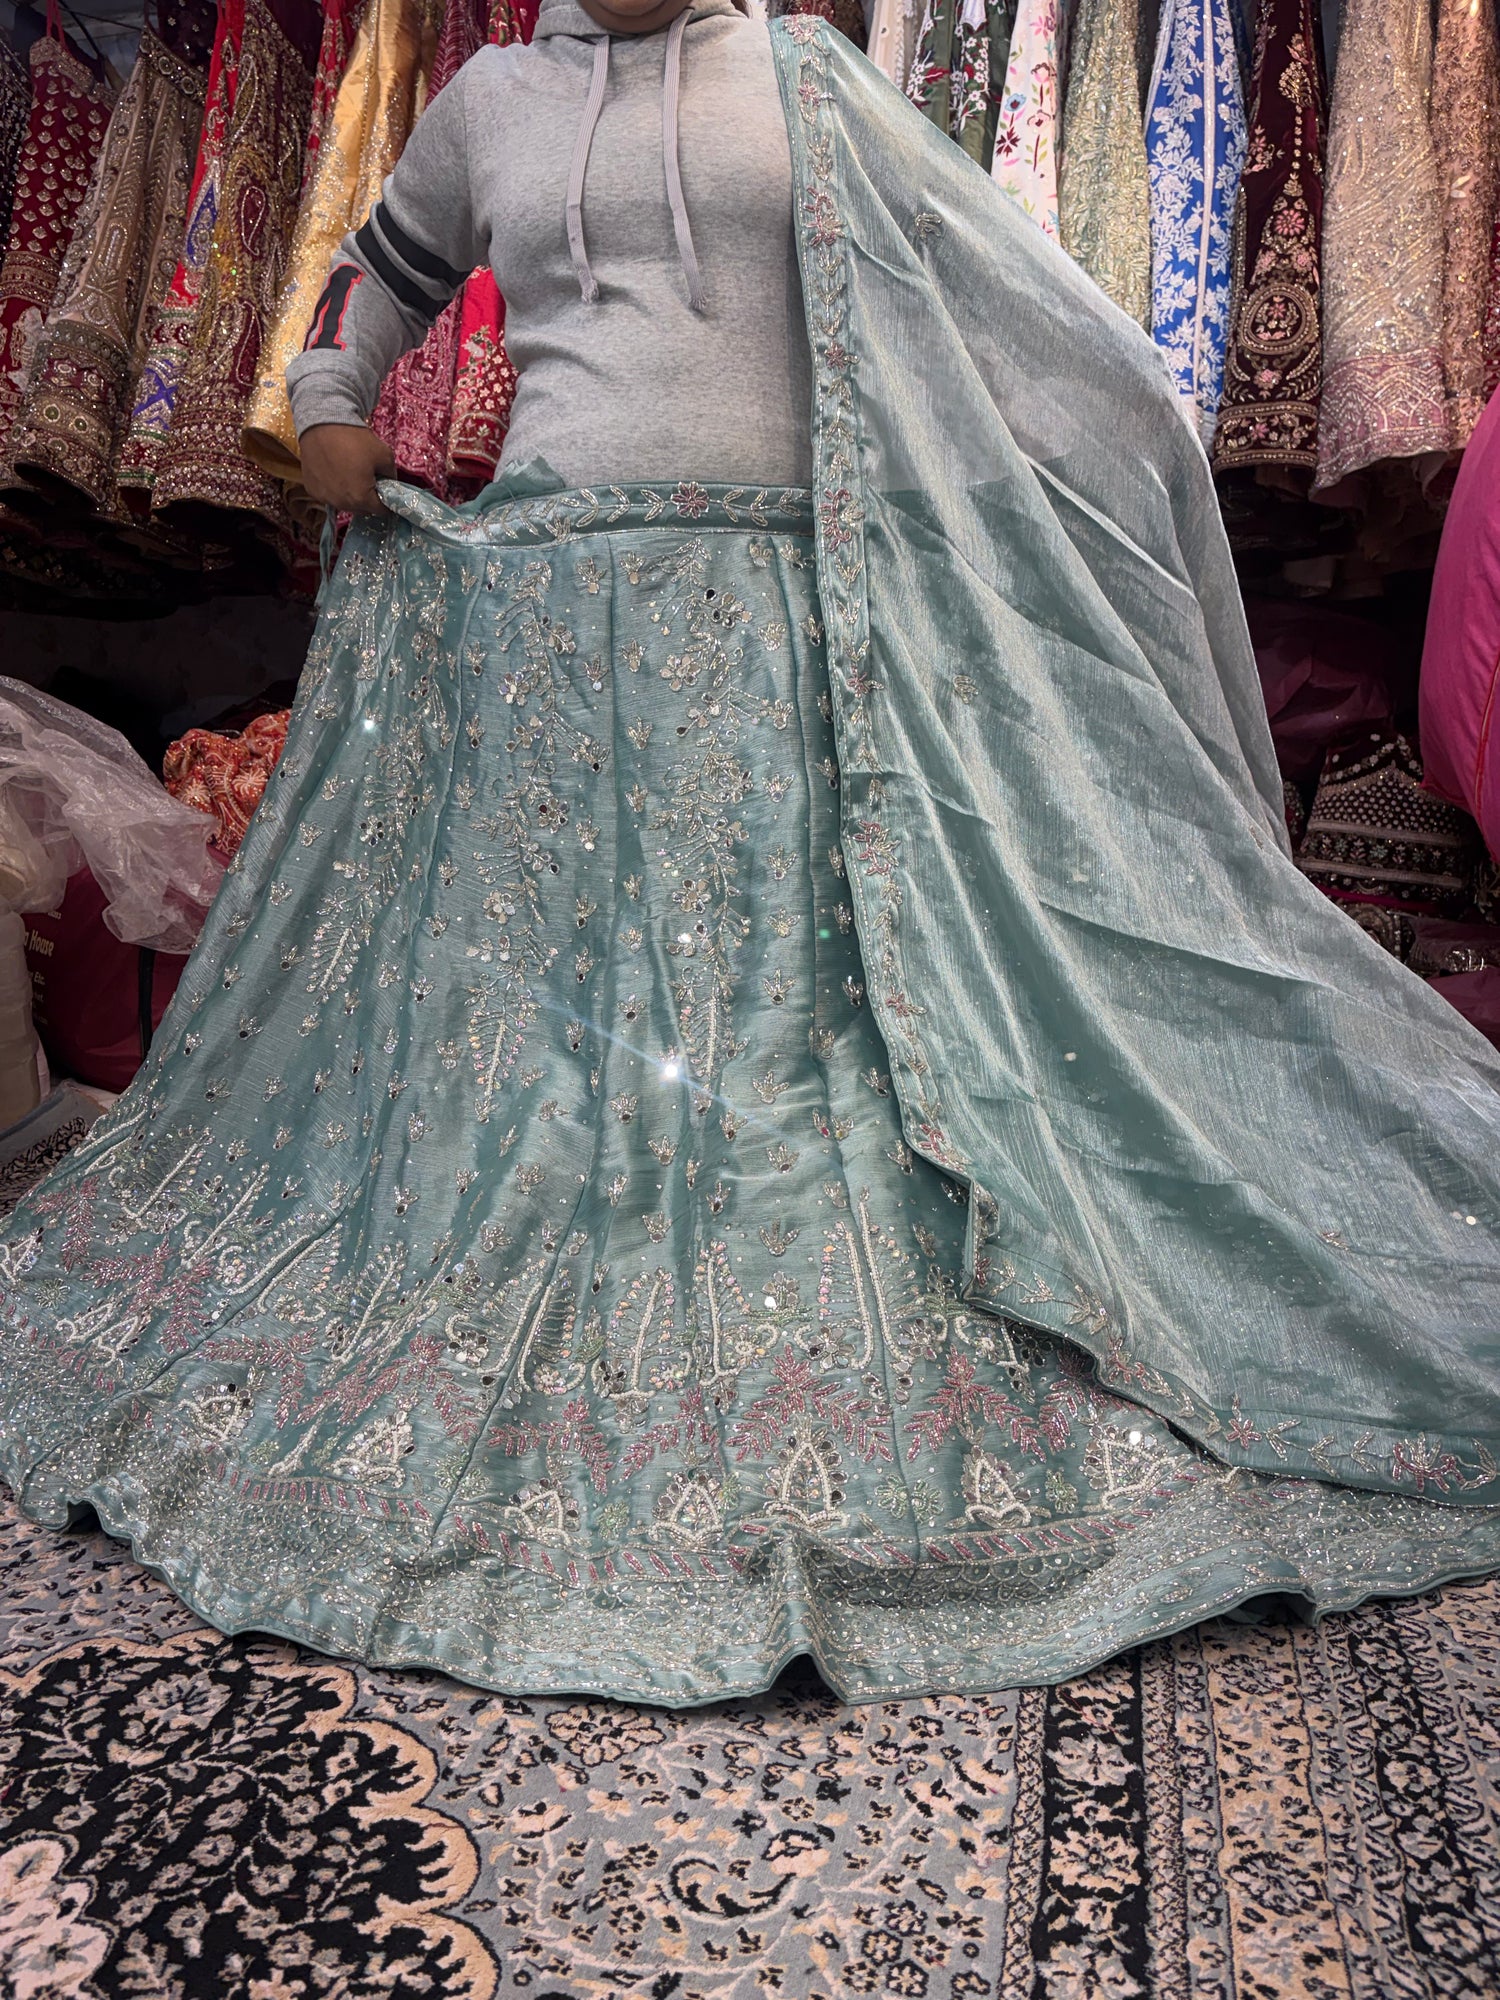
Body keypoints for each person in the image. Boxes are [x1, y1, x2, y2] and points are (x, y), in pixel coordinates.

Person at [1, 0, 1497, 1706]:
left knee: (803, 1002)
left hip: (790, 635)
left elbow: (1003, 306)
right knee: (559, 1015)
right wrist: (333, 400)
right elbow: (367, 283)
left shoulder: (808, 80)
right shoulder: (490, 100)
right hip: (547, 638)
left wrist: (1102, 448)